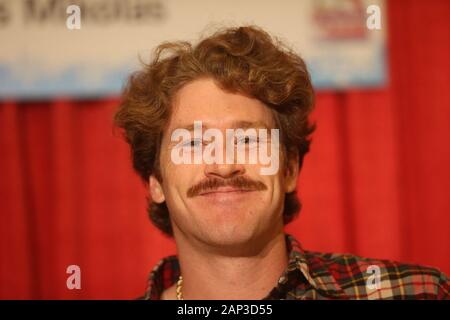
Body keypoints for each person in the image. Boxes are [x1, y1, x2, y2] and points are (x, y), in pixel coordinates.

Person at [114, 25, 449, 300]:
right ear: (155, 181)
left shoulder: (419, 293)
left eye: (248, 140)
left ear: (289, 169)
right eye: (195, 144)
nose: (225, 166)